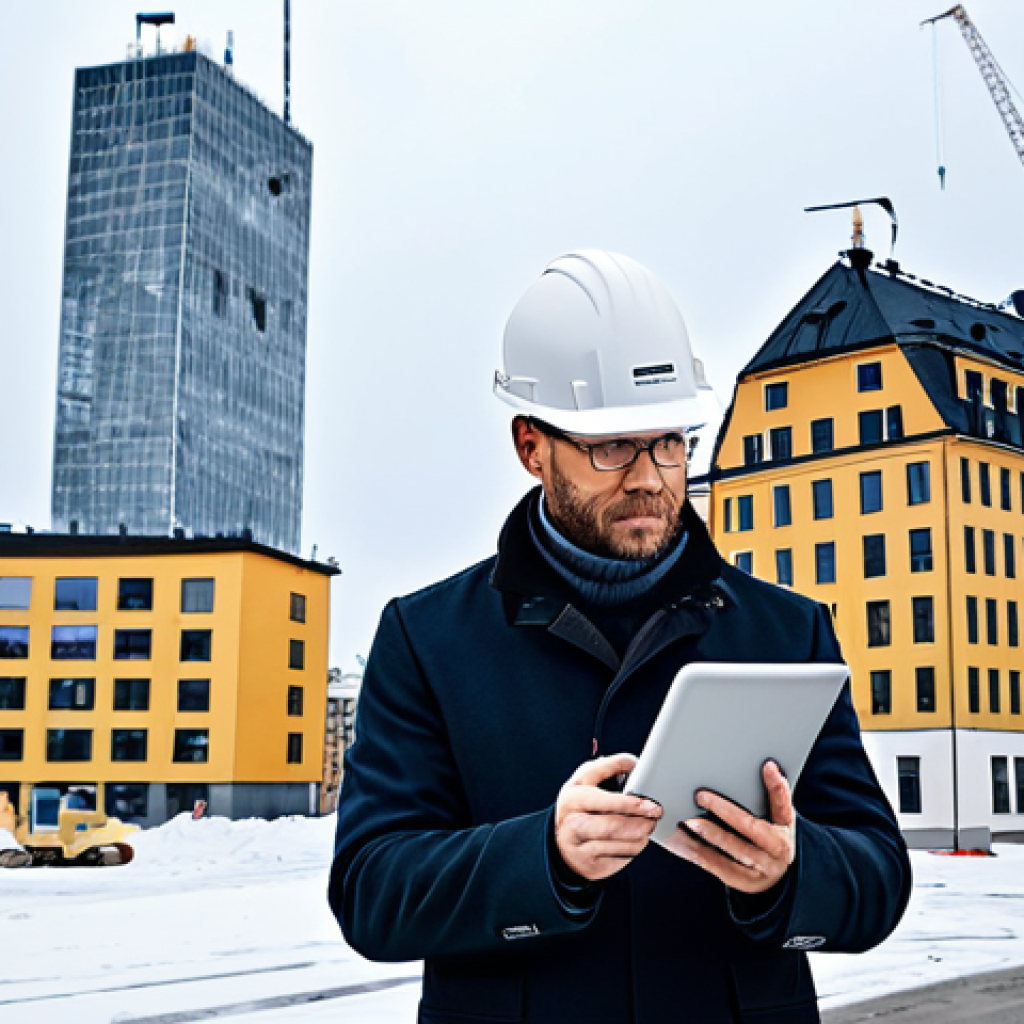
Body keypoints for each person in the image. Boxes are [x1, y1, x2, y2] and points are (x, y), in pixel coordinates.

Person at [329, 250, 911, 1024]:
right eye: (610, 448)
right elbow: (373, 893)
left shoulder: (788, 629)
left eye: (669, 442)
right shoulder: (428, 639)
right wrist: (543, 856)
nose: (648, 477)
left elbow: (878, 879)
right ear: (532, 447)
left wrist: (792, 872)